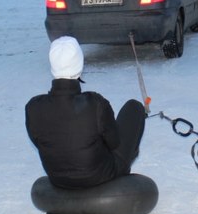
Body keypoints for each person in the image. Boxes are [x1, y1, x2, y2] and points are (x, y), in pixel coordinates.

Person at [25, 36, 147, 189]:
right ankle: (119, 180)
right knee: (134, 108)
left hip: (58, 178)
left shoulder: (33, 107)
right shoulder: (95, 103)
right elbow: (114, 142)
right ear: (79, 64)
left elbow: (40, 142)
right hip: (98, 175)